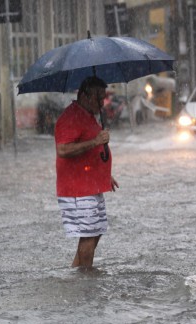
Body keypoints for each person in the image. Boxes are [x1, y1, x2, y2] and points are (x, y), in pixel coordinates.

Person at [54, 76, 119, 271]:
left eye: (104, 98)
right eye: (98, 97)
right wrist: (95, 141)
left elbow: (92, 152)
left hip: (91, 185)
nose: (102, 102)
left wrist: (105, 174)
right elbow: (63, 150)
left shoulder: (89, 115)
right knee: (89, 235)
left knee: (96, 232)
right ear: (84, 95)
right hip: (78, 189)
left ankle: (77, 274)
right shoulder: (71, 117)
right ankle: (85, 281)